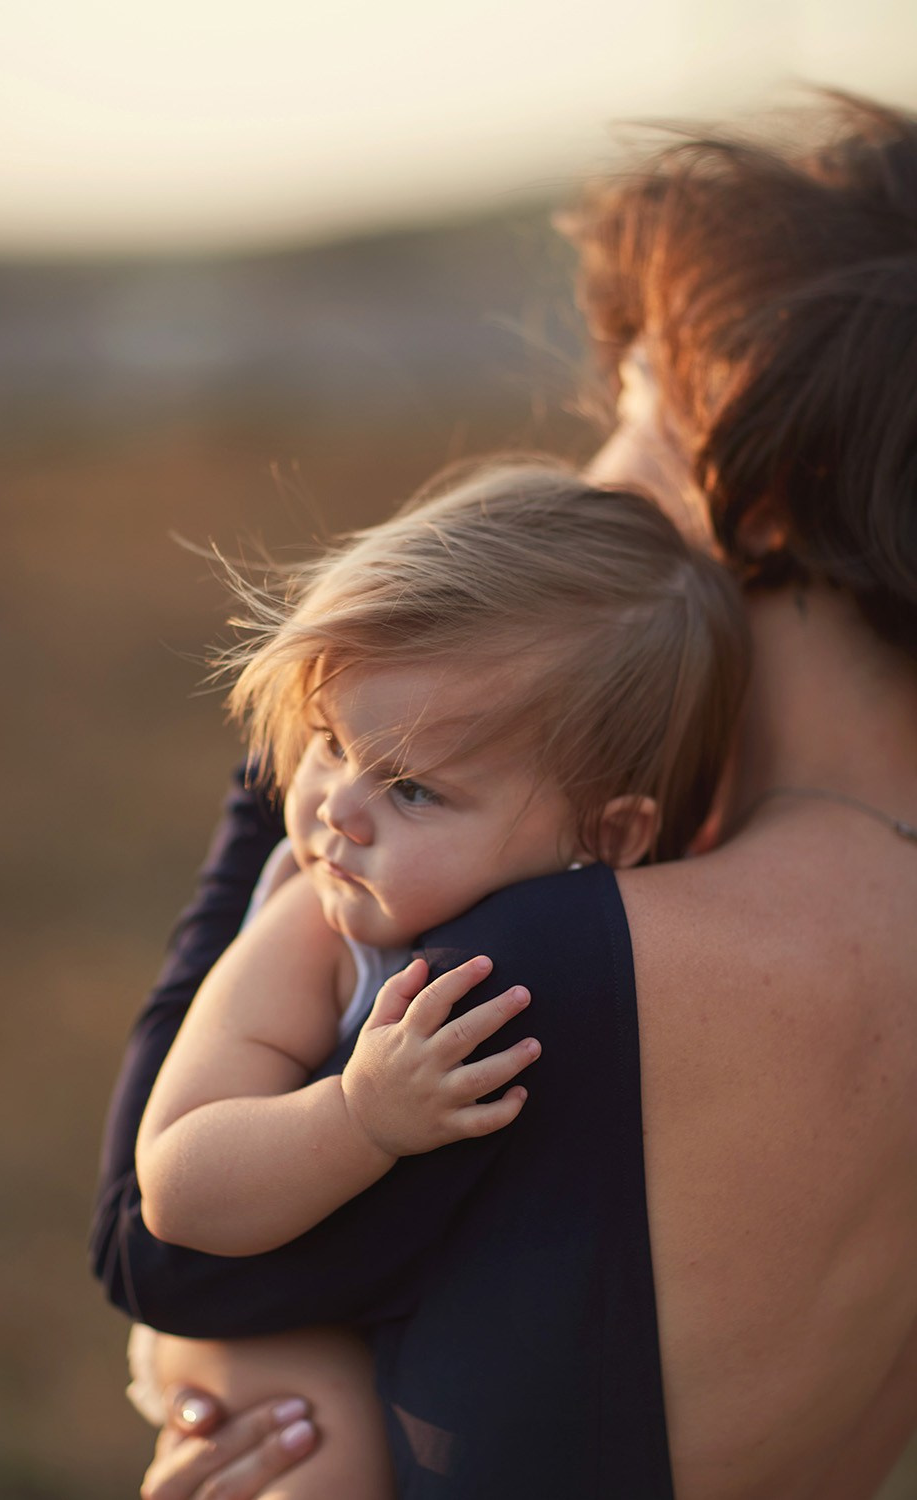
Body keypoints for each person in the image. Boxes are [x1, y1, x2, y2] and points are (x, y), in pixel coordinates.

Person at [91, 91, 917, 1500]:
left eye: (646, 412)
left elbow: (153, 1245)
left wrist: (290, 760)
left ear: (784, 474)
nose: (595, 471)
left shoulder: (544, 967)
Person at [127, 462, 748, 1500]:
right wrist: (356, 1117)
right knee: (322, 1457)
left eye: (412, 788)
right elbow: (176, 1188)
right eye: (329, 742)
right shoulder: (319, 928)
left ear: (611, 834)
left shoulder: (641, 935)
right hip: (263, 1315)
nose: (336, 809)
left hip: (430, 1317)